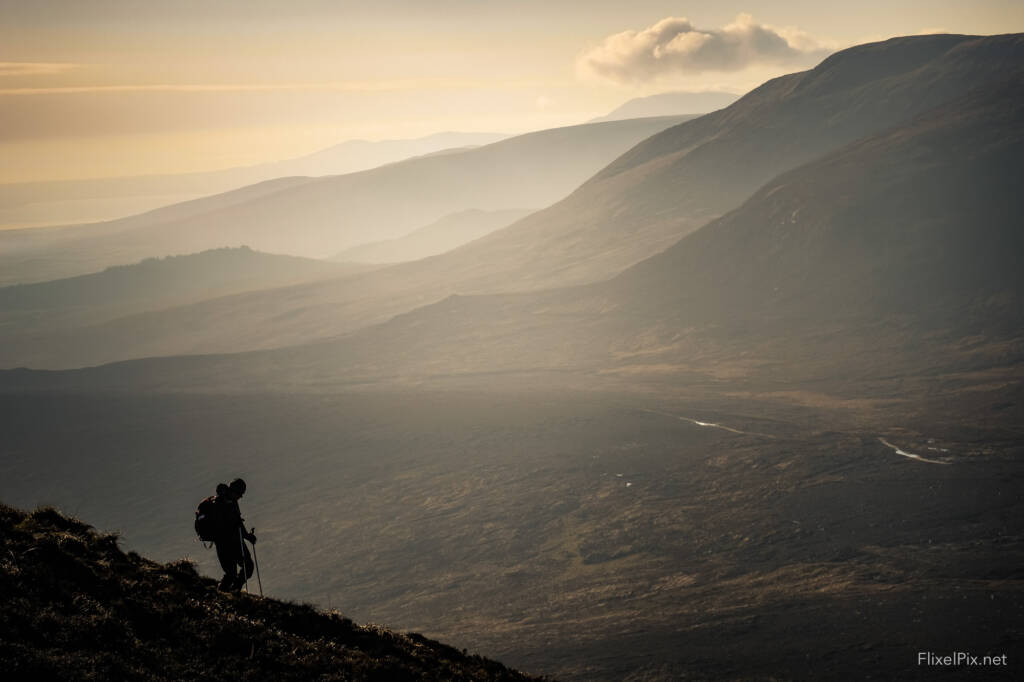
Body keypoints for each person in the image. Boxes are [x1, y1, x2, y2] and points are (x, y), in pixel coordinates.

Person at [213, 478, 257, 592]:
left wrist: (247, 536)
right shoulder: (219, 503)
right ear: (234, 491)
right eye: (240, 494)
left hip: (234, 540)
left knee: (247, 567)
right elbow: (224, 525)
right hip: (224, 543)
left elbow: (237, 521)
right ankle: (224, 593)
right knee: (231, 573)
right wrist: (246, 535)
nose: (240, 497)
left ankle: (233, 591)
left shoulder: (232, 501)